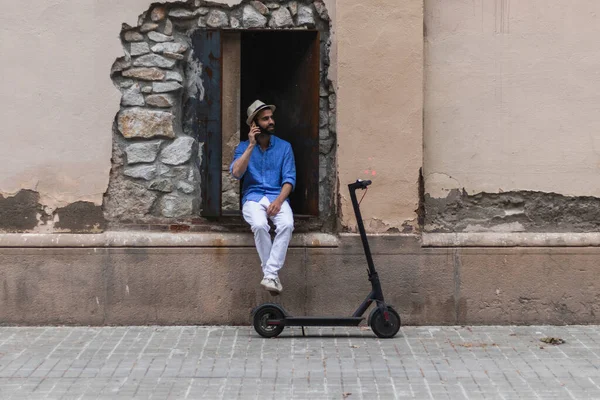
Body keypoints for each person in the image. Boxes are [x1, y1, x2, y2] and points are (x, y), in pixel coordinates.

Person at [230, 100, 296, 294]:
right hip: (253, 197)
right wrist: (251, 146)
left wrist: (278, 201)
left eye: (271, 117)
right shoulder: (243, 147)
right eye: (265, 119)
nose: (271, 121)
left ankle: (270, 275)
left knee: (287, 224)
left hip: (277, 196)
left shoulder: (284, 147)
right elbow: (236, 173)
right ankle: (272, 276)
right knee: (259, 225)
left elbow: (289, 179)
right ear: (255, 124)